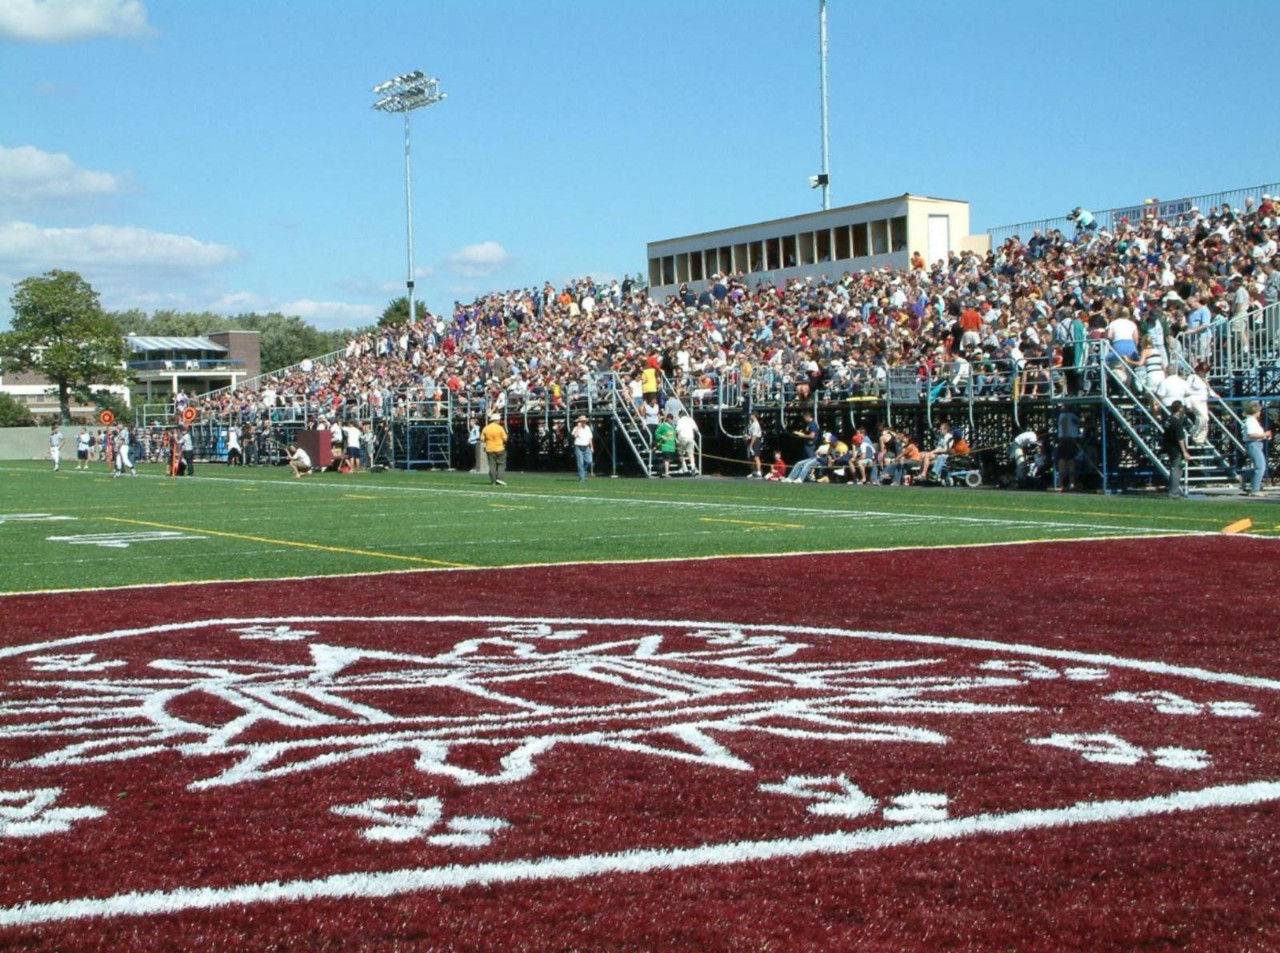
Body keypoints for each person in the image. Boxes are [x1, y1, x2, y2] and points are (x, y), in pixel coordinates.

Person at [1241, 402, 1273, 495]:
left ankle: (1244, 476)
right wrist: (1264, 434)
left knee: (1259, 467)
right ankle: (1255, 490)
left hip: (1257, 444)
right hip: (1253, 444)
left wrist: (1264, 436)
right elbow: (1251, 435)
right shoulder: (1250, 421)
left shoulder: (1253, 421)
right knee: (1260, 467)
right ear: (1256, 411)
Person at [1162, 400, 1191, 499]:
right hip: (1175, 449)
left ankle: (1176, 488)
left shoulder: (1168, 419)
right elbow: (1180, 439)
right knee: (1176, 469)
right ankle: (1173, 491)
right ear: (1180, 409)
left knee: (1178, 469)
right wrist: (1185, 452)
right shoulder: (1177, 422)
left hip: (1169, 447)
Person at [1055, 406, 1083, 492]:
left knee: (1063, 460)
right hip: (1073, 439)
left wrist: (1064, 435)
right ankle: (1071, 482)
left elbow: (1064, 423)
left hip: (1065, 438)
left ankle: (1061, 483)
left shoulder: (1064, 414)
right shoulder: (1074, 416)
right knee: (1070, 461)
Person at [481, 413, 508, 486]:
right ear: (496, 420)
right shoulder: (500, 428)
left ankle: (493, 481)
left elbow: (482, 439)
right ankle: (500, 479)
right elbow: (505, 438)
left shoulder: (486, 428)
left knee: (492, 465)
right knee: (501, 464)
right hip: (500, 448)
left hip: (489, 449)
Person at [675, 410, 699, 474]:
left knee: (680, 453)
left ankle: (684, 467)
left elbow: (677, 430)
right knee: (691, 454)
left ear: (680, 415)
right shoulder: (690, 420)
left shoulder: (680, 421)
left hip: (682, 438)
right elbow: (696, 429)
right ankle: (693, 468)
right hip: (691, 438)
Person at [653, 413, 677, 477]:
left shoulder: (673, 427)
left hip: (672, 446)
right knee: (666, 460)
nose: (671, 420)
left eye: (672, 419)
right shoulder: (663, 426)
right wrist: (662, 437)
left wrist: (676, 441)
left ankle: (660, 467)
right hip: (665, 446)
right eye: (670, 418)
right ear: (667, 419)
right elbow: (656, 433)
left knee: (669, 460)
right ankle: (667, 473)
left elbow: (674, 436)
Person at [571, 415, 594, 481]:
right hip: (578, 446)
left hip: (586, 447)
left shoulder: (588, 428)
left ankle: (583, 473)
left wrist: (592, 447)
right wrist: (578, 427)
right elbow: (574, 435)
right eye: (582, 421)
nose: (583, 423)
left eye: (584, 421)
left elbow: (590, 438)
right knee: (580, 463)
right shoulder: (576, 428)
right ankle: (582, 478)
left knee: (589, 461)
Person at [744, 412, 764, 479]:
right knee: (751, 458)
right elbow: (751, 434)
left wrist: (751, 445)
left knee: (756, 457)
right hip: (751, 440)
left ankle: (759, 473)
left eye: (751, 415)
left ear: (754, 416)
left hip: (755, 442)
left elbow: (755, 436)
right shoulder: (752, 424)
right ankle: (753, 472)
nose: (750, 416)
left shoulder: (756, 424)